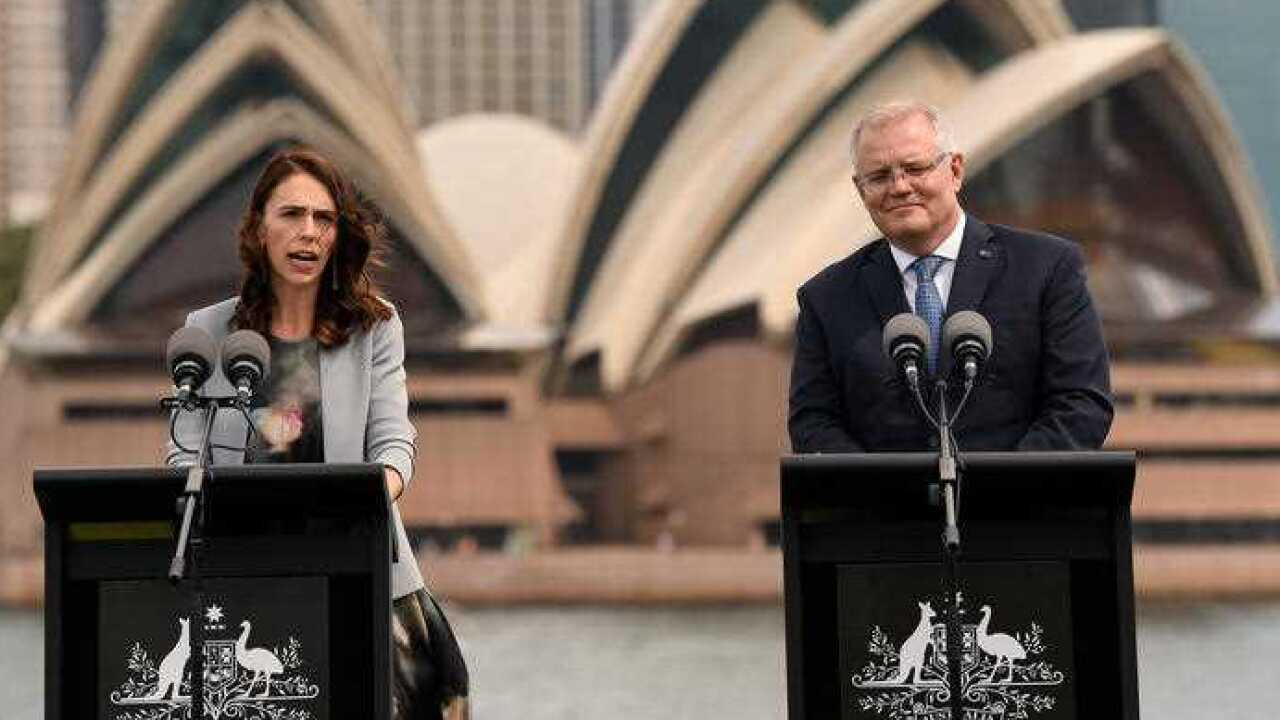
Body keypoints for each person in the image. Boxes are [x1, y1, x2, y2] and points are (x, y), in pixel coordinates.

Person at [167, 147, 468, 719]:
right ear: (259, 227)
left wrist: (367, 494)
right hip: (247, 572)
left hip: (363, 570)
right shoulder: (206, 332)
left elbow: (393, 442)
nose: (308, 233)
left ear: (338, 233)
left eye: (323, 218)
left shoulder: (375, 326)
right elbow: (184, 453)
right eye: (291, 215)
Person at [788, 101, 1113, 453]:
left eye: (914, 168)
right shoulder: (827, 298)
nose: (899, 187)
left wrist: (999, 492)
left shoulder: (1046, 268)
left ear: (955, 170)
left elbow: (1081, 404)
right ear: (860, 190)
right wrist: (886, 497)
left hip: (1019, 504)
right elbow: (814, 423)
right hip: (887, 506)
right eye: (879, 176)